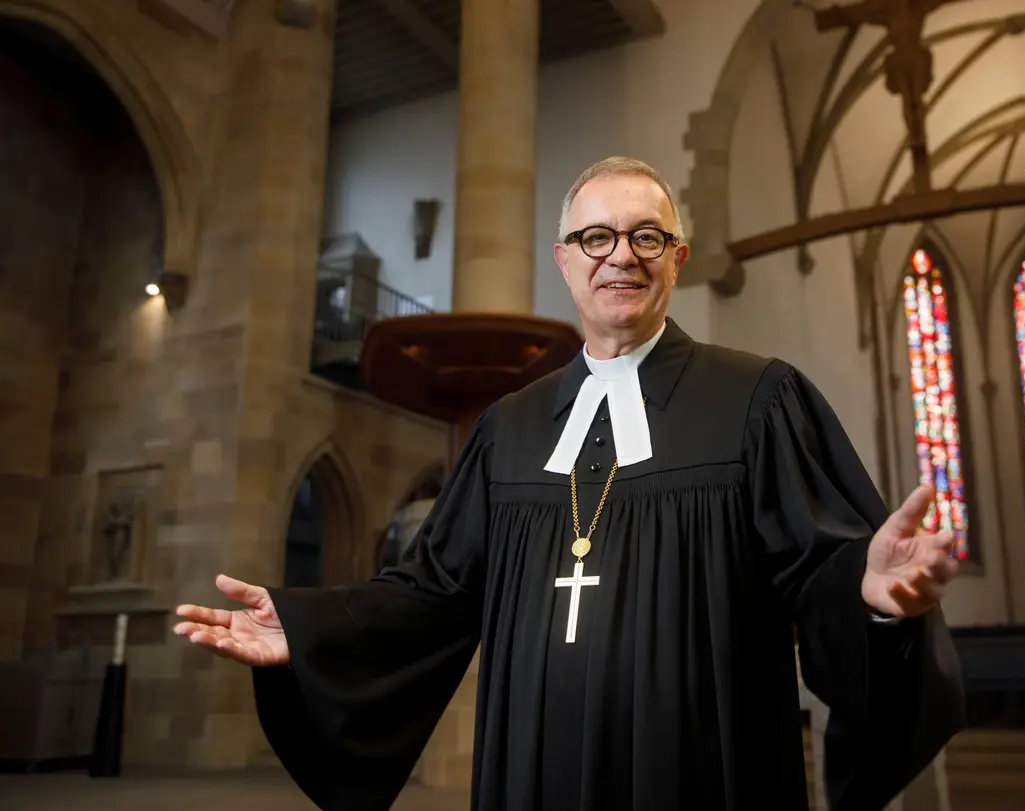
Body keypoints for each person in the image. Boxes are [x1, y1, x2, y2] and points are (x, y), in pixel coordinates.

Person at [174, 157, 965, 811]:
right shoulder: (510, 425)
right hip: (533, 777)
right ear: (564, 259)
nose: (620, 255)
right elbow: (434, 590)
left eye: (646, 235)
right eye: (595, 237)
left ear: (677, 258)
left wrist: (871, 597)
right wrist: (310, 633)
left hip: (698, 780)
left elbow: (822, 570)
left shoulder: (757, 401)